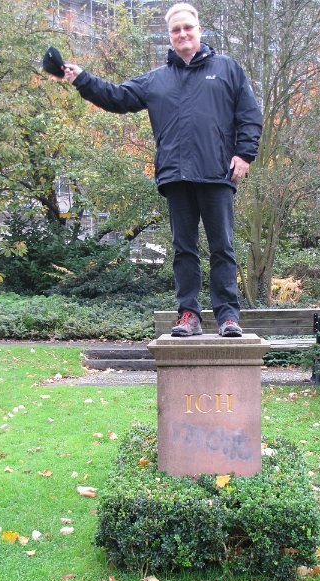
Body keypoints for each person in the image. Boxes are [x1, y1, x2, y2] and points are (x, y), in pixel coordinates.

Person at [61, 3, 262, 337]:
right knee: (184, 249)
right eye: (175, 30)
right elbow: (116, 97)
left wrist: (244, 154)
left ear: (199, 30)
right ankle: (188, 315)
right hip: (175, 176)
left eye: (187, 28)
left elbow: (250, 115)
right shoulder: (157, 79)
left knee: (222, 247)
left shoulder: (227, 69)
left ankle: (228, 317)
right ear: (169, 36)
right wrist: (83, 80)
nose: (182, 34)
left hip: (217, 173)